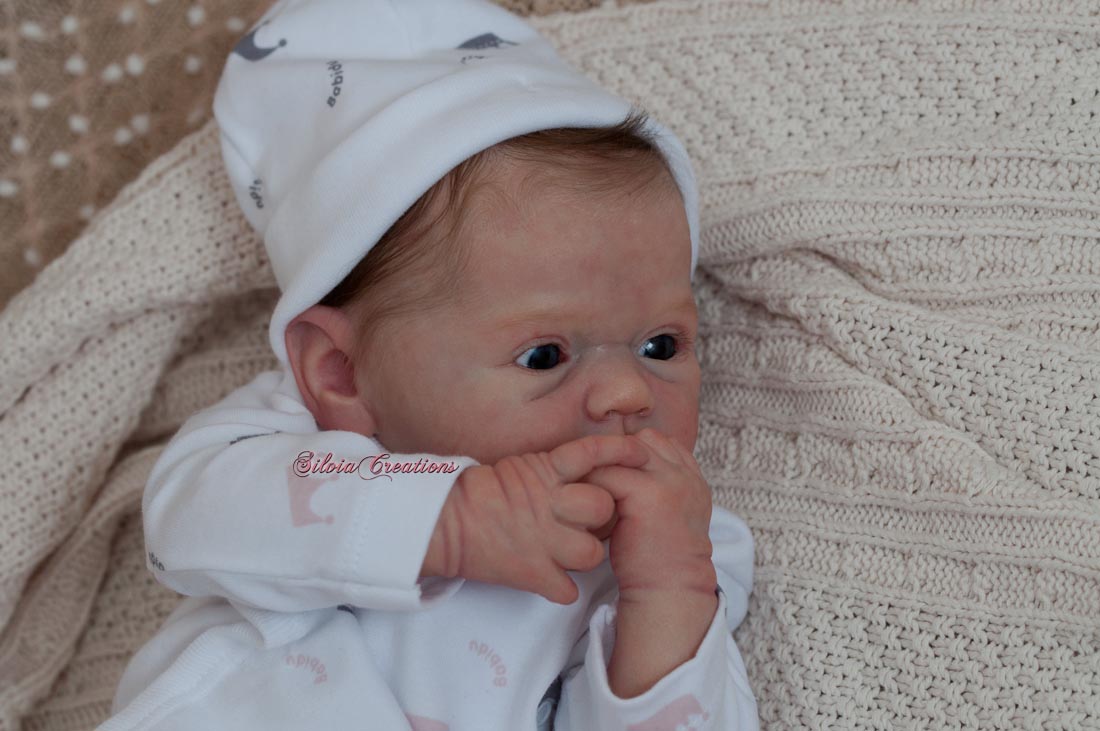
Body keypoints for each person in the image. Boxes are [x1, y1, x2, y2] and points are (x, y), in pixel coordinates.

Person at [100, 0, 758, 728]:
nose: (628, 391)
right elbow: (188, 528)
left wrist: (669, 592)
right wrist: (444, 519)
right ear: (343, 374)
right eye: (544, 356)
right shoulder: (283, 444)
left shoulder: (673, 547)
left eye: (661, 345)